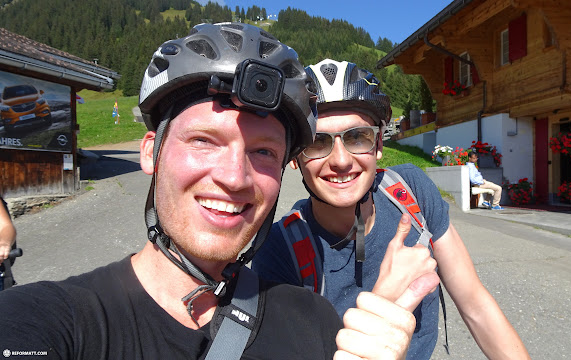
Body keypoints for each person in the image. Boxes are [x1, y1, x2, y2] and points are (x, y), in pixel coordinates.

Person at [0, 25, 436, 359]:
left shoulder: (314, 321)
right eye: (204, 141)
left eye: (263, 151)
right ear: (151, 153)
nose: (235, 177)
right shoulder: (45, 320)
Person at [252, 59, 530, 359]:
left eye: (358, 137)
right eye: (318, 142)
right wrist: (383, 301)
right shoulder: (280, 248)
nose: (341, 160)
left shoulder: (411, 192)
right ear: (295, 156)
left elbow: (475, 305)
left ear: (379, 144)